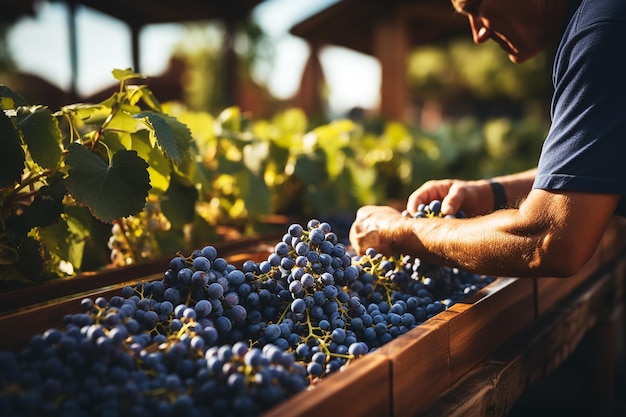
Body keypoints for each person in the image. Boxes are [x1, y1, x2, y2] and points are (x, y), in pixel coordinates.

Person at [349, 0, 626, 279]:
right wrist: (490, 193)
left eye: (476, 7)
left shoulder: (604, 33)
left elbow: (550, 240)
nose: (478, 34)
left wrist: (398, 231)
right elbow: (589, 175)